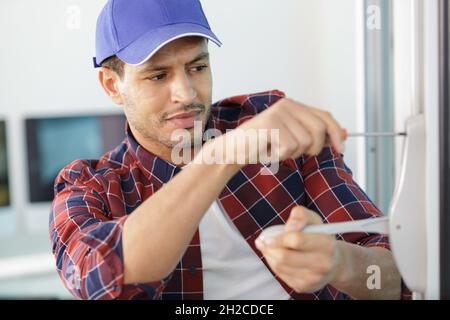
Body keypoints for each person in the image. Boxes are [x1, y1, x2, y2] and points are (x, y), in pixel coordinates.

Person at [50, 0, 410, 300]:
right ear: (112, 86)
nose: (187, 94)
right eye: (158, 75)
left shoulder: (275, 126)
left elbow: (400, 274)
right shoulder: (90, 184)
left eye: (198, 67)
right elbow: (96, 276)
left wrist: (339, 263)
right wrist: (223, 154)